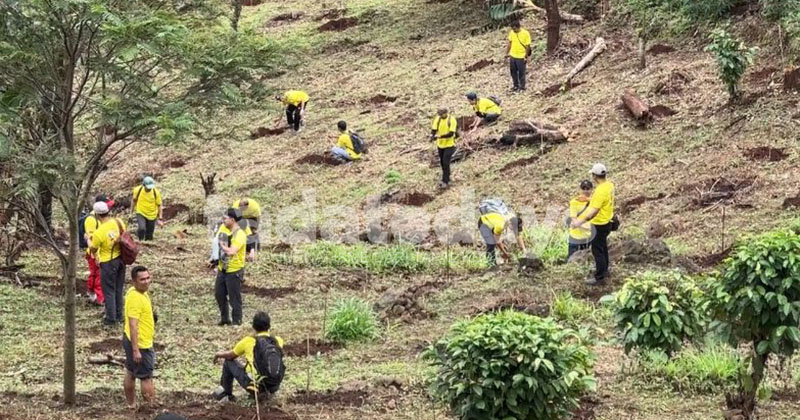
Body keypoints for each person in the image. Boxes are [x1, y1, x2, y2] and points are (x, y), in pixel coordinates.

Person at [212, 311, 285, 402]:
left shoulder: (249, 340)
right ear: (269, 326)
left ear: (253, 326)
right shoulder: (278, 341)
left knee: (228, 362)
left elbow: (230, 356)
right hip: (274, 384)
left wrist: (219, 354)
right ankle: (269, 393)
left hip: (254, 385)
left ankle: (226, 394)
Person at [571, 163, 615, 285]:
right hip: (608, 221)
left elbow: (593, 211)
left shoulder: (600, 190)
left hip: (599, 223)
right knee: (603, 246)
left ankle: (600, 277)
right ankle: (605, 270)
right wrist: (589, 199)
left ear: (595, 176)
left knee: (597, 250)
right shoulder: (609, 185)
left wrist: (578, 222)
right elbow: (602, 200)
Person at [123, 266, 156, 409]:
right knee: (146, 376)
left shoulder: (136, 292)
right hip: (140, 344)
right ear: (134, 281)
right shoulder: (136, 298)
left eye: (148, 278)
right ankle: (150, 407)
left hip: (131, 340)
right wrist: (136, 349)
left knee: (131, 371)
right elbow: (133, 324)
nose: (146, 282)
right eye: (142, 279)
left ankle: (131, 404)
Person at [89, 201, 127, 326]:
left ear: (96, 215)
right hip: (121, 260)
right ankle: (119, 315)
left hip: (108, 262)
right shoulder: (118, 222)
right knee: (119, 288)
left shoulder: (99, 232)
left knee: (109, 290)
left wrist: (88, 241)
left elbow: (93, 249)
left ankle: (111, 318)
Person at [209, 208, 248, 326]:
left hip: (234, 271)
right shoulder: (225, 231)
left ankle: (237, 321)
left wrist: (221, 245)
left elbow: (231, 251)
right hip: (222, 269)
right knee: (219, 294)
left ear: (232, 220)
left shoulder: (240, 234)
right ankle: (225, 319)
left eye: (225, 219)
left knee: (234, 298)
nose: (223, 221)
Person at [83, 194, 115, 306]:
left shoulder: (105, 219)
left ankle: (94, 295)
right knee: (97, 276)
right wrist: (95, 255)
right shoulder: (91, 220)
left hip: (103, 252)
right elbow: (91, 239)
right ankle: (98, 297)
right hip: (95, 253)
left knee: (98, 275)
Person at [429, 107, 458, 189]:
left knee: (446, 162)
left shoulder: (451, 120)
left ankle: (445, 181)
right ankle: (447, 176)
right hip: (440, 145)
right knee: (442, 162)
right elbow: (434, 129)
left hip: (449, 144)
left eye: (442, 114)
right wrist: (432, 135)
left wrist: (439, 136)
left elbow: (451, 133)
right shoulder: (437, 119)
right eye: (440, 114)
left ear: (446, 113)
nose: (441, 116)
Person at [567, 180, 594, 260]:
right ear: (580, 189)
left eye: (588, 188)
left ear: (592, 189)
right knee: (572, 261)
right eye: (583, 188)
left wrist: (579, 225)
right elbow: (574, 219)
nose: (585, 191)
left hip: (589, 238)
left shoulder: (594, 202)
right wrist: (587, 227)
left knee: (587, 261)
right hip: (575, 238)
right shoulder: (574, 202)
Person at [131, 176, 163, 241]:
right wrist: (131, 212)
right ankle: (140, 241)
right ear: (144, 185)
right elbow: (134, 200)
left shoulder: (155, 192)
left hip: (152, 215)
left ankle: (147, 243)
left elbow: (159, 205)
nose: (149, 189)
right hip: (141, 212)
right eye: (148, 187)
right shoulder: (137, 190)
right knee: (142, 228)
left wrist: (160, 218)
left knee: (149, 236)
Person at [506, 20, 532, 92]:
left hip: (521, 56)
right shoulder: (512, 33)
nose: (513, 30)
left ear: (518, 27)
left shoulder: (525, 33)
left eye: (514, 29)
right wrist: (507, 53)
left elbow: (527, 46)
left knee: (521, 72)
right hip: (513, 55)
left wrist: (525, 57)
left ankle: (522, 87)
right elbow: (510, 43)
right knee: (513, 72)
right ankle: (515, 86)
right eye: (512, 29)